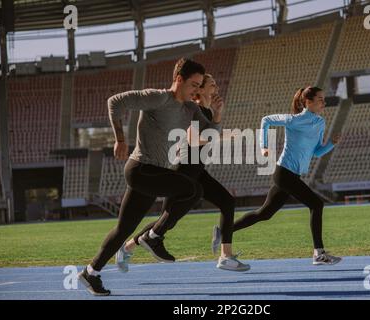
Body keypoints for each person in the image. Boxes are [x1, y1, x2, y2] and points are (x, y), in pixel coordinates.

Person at [78, 58, 224, 296]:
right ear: (179, 79)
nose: (197, 90)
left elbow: (209, 136)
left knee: (123, 230)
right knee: (193, 190)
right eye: (194, 85)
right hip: (140, 169)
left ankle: (90, 272)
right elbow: (115, 101)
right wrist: (120, 139)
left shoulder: (191, 109)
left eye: (200, 85)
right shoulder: (158, 97)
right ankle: (153, 236)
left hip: (152, 173)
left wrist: (217, 116)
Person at [115, 74, 250, 273]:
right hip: (185, 170)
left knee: (227, 202)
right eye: (212, 85)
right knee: (167, 220)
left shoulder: (207, 111)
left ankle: (225, 256)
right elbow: (193, 139)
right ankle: (127, 247)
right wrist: (227, 135)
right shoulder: (192, 109)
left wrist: (218, 116)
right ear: (201, 89)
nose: (216, 89)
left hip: (198, 170)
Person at [211, 86, 342, 266]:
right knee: (316, 204)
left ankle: (224, 231)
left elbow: (317, 152)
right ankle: (318, 254)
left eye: (324, 99)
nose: (324, 102)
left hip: (293, 175)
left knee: (264, 214)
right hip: (284, 173)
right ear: (308, 102)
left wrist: (331, 144)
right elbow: (266, 120)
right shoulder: (294, 120)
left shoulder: (320, 123)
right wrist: (263, 146)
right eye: (320, 99)